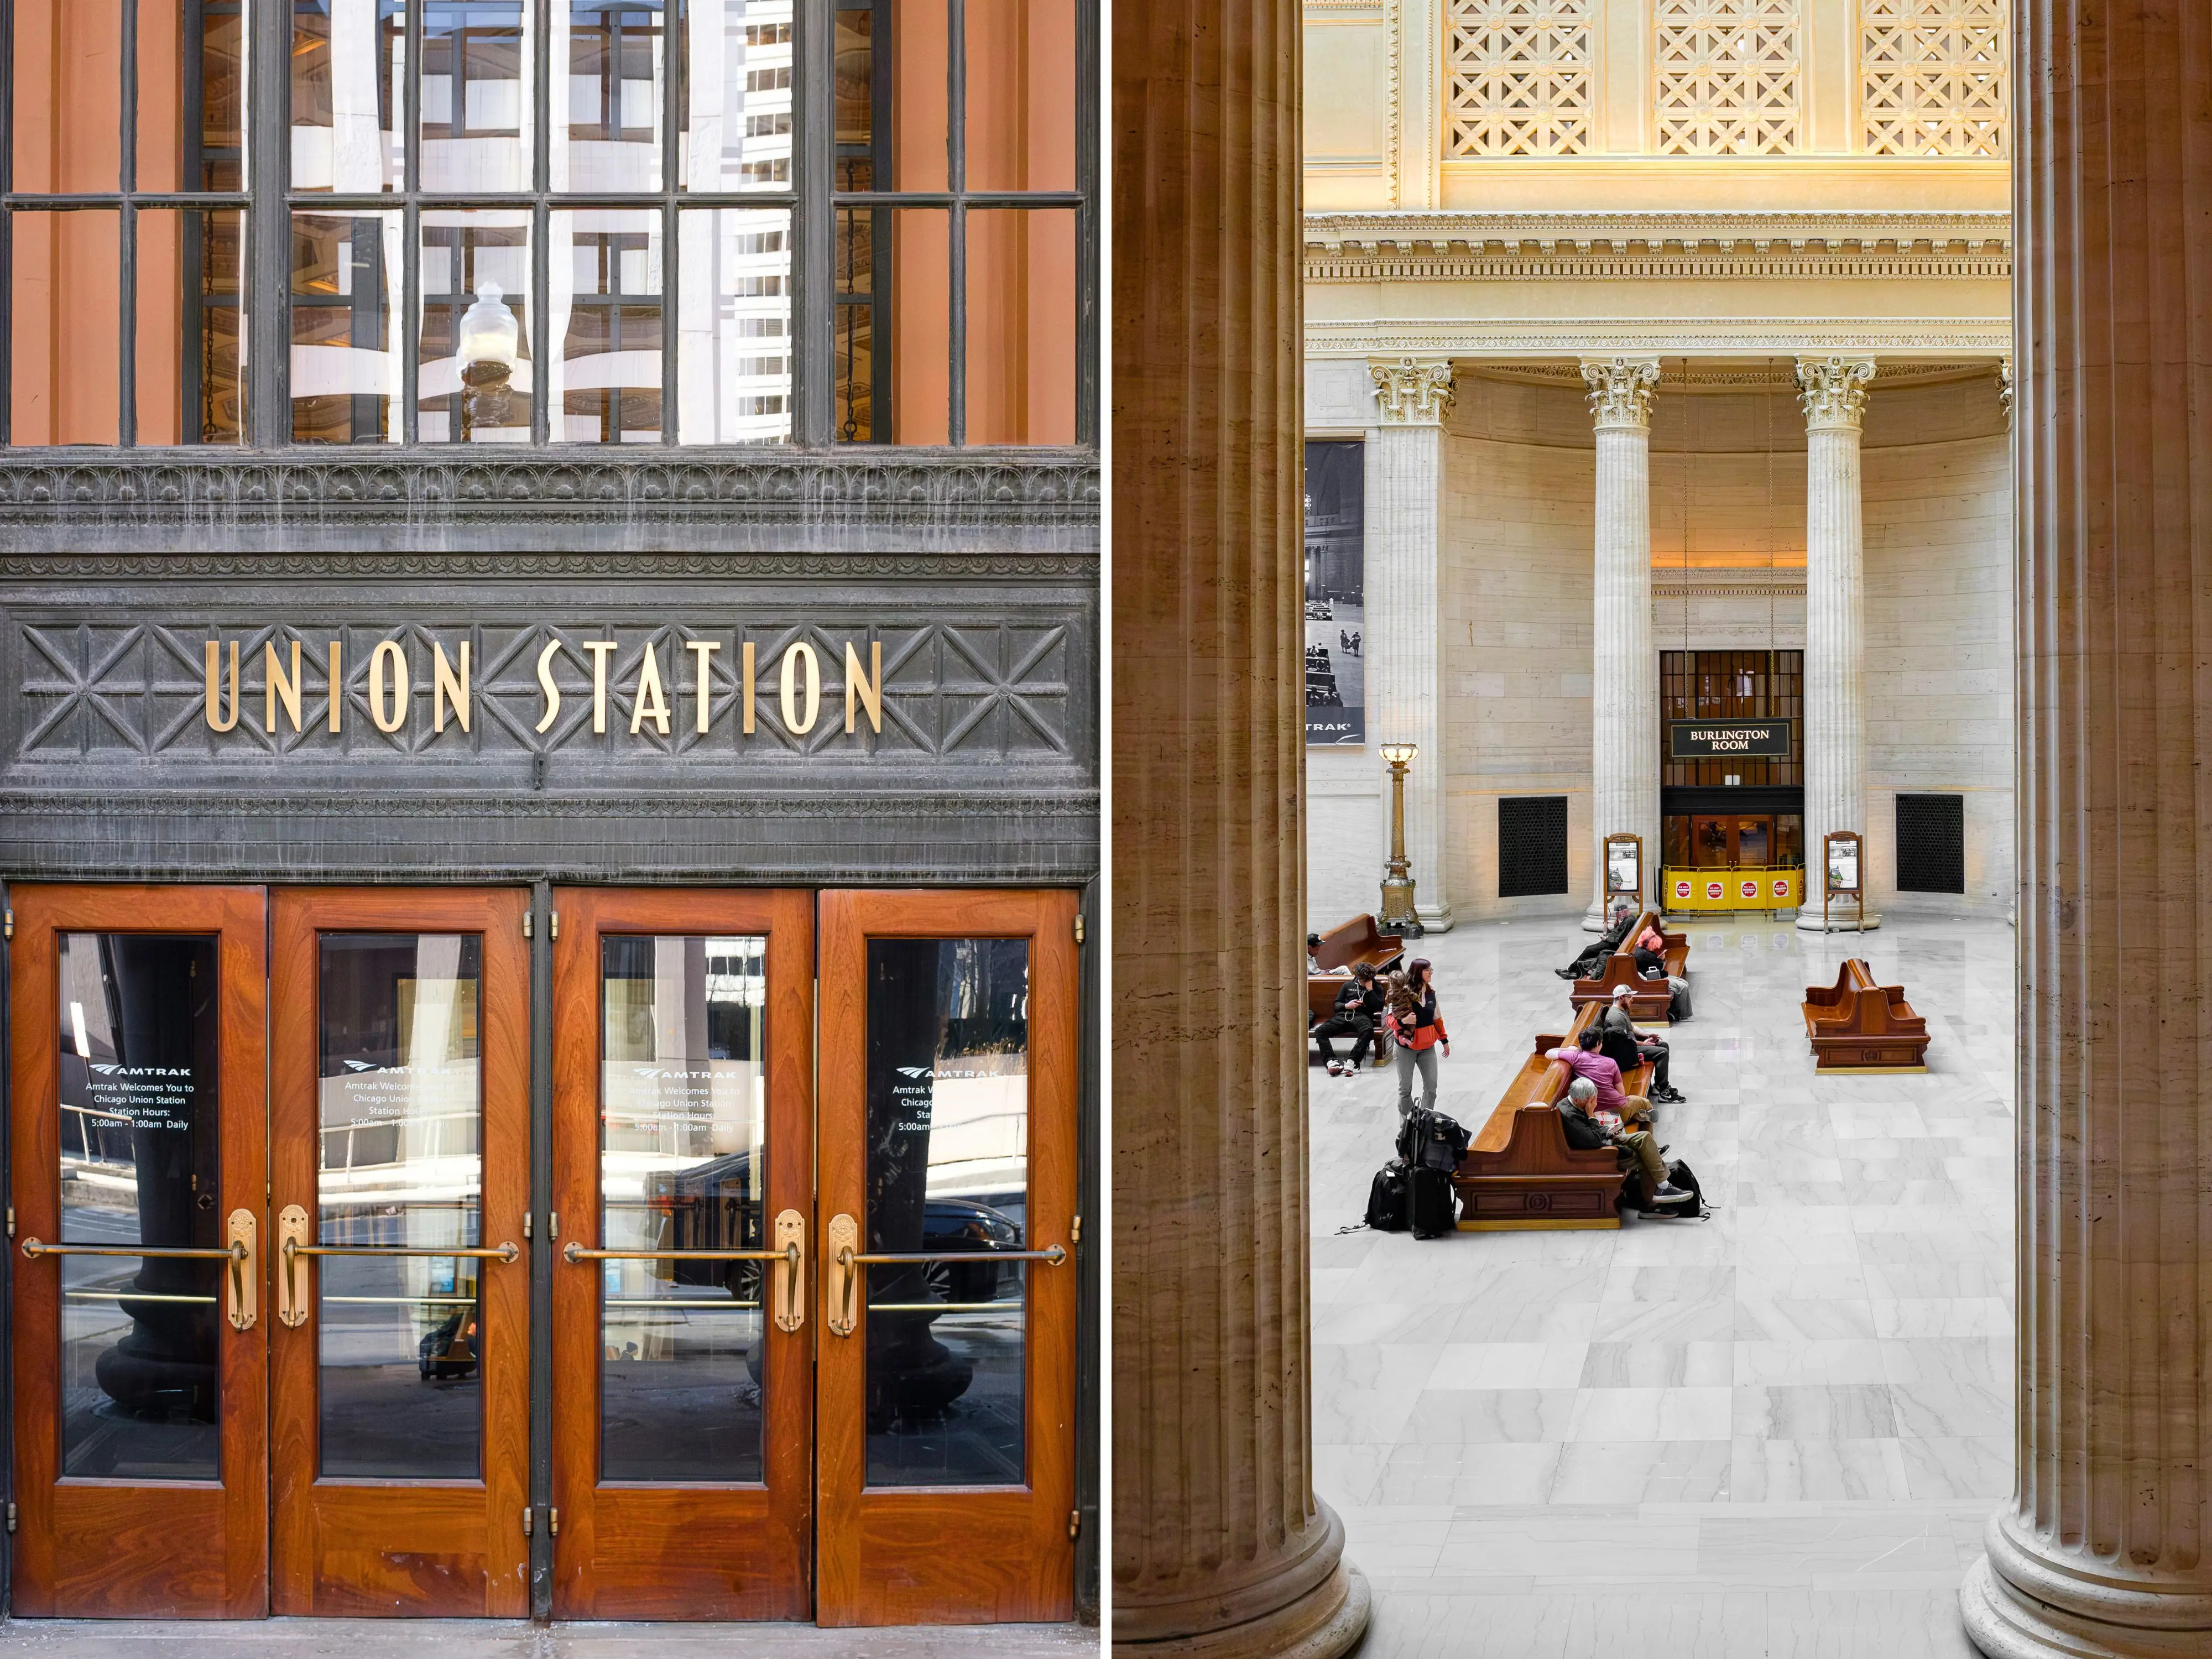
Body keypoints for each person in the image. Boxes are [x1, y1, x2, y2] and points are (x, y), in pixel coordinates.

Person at [1557, 1077, 1693, 1208]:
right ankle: (1652, 1203)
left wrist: (1607, 1131)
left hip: (1605, 1138)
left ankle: (1663, 1185)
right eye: (1591, 1101)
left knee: (1645, 1138)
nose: (1594, 1103)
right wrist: (1592, 1114)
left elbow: (1591, 1132)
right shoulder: (1571, 1114)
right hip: (1600, 1152)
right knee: (1646, 1155)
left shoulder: (1573, 1102)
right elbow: (1593, 1141)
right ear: (1577, 1099)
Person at [1599, 983, 1683, 1103]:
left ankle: (1658, 1086)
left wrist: (1647, 1035)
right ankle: (1664, 1091)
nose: (1632, 999)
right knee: (1662, 1053)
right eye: (1630, 997)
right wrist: (1644, 1044)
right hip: (1626, 1053)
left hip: (1630, 1045)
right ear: (1621, 998)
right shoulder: (1616, 1017)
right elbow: (1625, 1043)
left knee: (1663, 1045)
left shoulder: (1621, 1010)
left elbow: (1632, 1027)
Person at [1385, 957, 1448, 1116]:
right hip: (1406, 1049)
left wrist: (1444, 1040)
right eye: (1428, 969)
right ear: (1418, 972)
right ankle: (1407, 1124)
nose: (1431, 972)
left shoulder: (1431, 992)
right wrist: (1403, 1021)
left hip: (1427, 1047)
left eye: (1431, 969)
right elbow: (1389, 1020)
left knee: (1431, 1087)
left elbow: (1437, 1019)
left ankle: (1426, 1120)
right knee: (1405, 1089)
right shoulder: (1402, 991)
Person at [1313, 962, 1385, 1074]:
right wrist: (1347, 1006)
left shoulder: (1377, 988)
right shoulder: (1348, 986)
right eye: (1361, 979)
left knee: (1368, 1031)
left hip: (1362, 1017)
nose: (1363, 982)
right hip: (1344, 1015)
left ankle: (1352, 1061)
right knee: (1320, 1031)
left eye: (1366, 980)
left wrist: (1370, 990)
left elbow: (1379, 1006)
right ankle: (1331, 1061)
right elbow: (1337, 1005)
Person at [1546, 1025, 1628, 1118]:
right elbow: (1620, 1087)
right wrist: (1623, 1101)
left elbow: (1549, 1053)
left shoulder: (1575, 1057)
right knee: (1642, 1103)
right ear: (1598, 1044)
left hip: (1591, 1110)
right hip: (1614, 1108)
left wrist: (1568, 1049)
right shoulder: (1611, 1062)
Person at [1556, 902, 1637, 980]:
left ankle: (1572, 969)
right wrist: (1616, 925)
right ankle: (1574, 969)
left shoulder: (1629, 921)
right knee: (1589, 950)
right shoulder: (1627, 919)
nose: (1616, 915)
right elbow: (1619, 932)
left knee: (1589, 950)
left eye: (1617, 913)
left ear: (1622, 912)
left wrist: (1606, 939)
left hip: (1612, 945)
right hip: (1610, 942)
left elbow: (1619, 938)